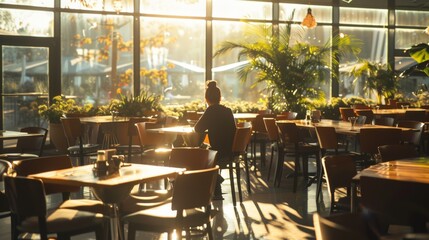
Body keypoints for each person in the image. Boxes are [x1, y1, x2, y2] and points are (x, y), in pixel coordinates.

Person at [194, 80, 236, 200]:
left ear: (206, 98)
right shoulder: (228, 111)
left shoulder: (211, 110)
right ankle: (216, 183)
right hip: (230, 151)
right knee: (207, 149)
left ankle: (214, 183)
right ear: (220, 98)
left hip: (218, 153)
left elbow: (197, 129)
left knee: (197, 152)